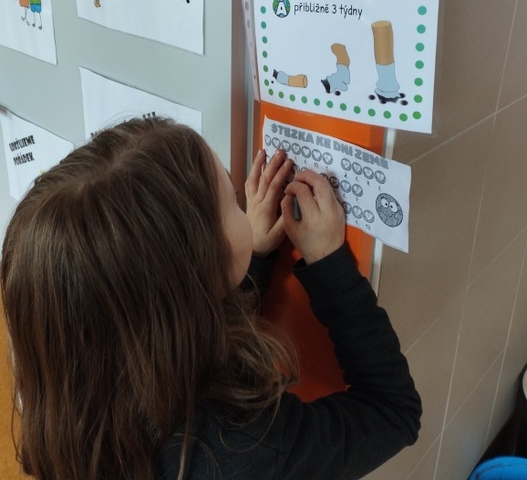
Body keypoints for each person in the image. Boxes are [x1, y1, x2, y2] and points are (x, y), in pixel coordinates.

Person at [1, 117, 421, 480]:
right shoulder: (247, 449)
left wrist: (248, 256)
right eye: (234, 203)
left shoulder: (65, 401)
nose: (245, 207)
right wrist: (329, 263)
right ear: (202, 263)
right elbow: (394, 411)